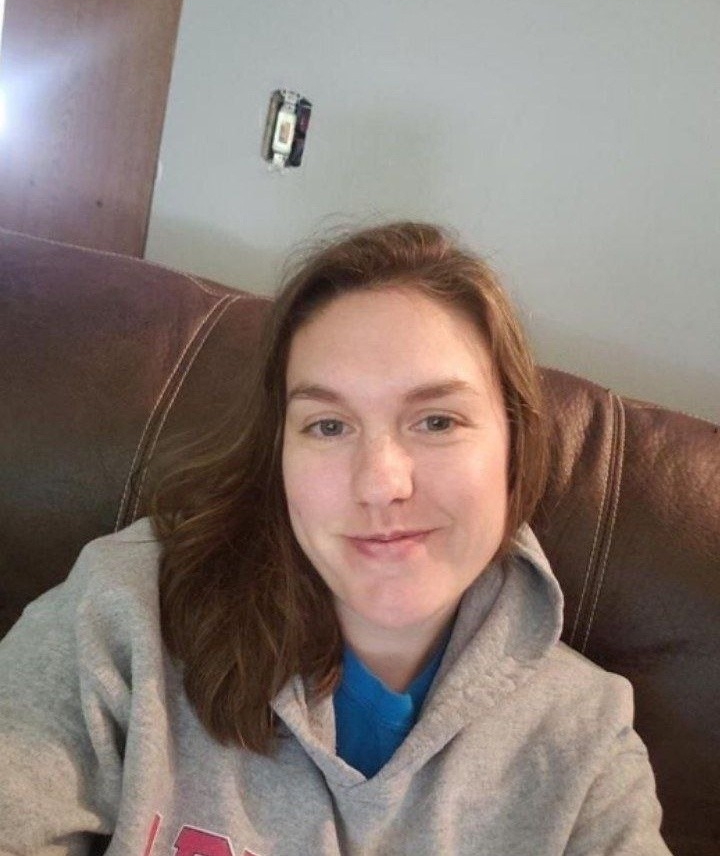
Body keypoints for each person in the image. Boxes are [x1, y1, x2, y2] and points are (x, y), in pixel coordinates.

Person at [0, 222, 672, 855]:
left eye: (437, 421)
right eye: (328, 426)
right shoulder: (127, 611)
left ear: (515, 445)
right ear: (279, 455)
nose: (380, 483)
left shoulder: (586, 743)